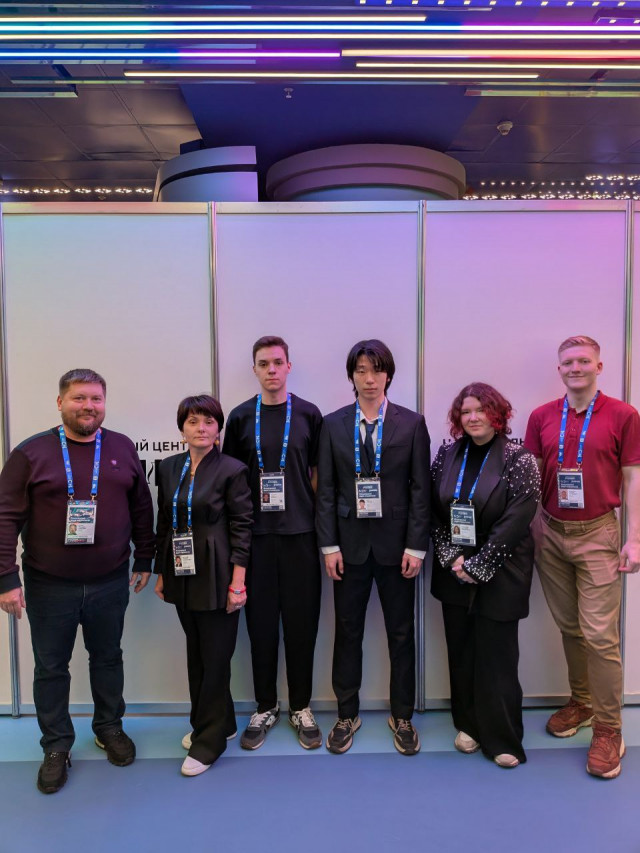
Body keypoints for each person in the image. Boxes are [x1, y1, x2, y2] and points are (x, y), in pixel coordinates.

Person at [0, 369, 154, 794]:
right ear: (60, 402)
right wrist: (7, 577)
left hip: (110, 580)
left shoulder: (122, 447)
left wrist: (145, 556)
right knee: (51, 668)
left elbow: (141, 507)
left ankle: (109, 728)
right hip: (49, 585)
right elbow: (5, 517)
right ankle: (56, 746)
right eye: (79, 398)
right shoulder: (30, 453)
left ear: (104, 403)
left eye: (96, 399)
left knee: (108, 658)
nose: (88, 406)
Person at [525, 335, 640, 779]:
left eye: (584, 361)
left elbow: (632, 479)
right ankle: (583, 702)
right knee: (571, 627)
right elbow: (530, 478)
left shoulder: (623, 415)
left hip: (598, 534)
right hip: (550, 532)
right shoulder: (541, 416)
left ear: (598, 366)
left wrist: (634, 539)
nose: (575, 368)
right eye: (568, 362)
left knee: (600, 636)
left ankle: (609, 728)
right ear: (559, 370)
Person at [316, 339, 430, 755]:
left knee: (401, 634)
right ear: (352, 376)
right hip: (348, 549)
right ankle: (347, 713)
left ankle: (402, 716)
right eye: (361, 370)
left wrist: (416, 547)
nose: (369, 378)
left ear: (388, 375)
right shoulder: (332, 424)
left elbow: (420, 490)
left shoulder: (411, 424)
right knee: (347, 632)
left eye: (377, 370)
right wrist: (329, 545)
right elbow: (326, 491)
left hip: (398, 549)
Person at [431, 383, 540, 768]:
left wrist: (479, 565)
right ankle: (469, 725)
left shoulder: (519, 458)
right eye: (466, 411)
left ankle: (503, 737)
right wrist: (452, 558)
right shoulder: (447, 454)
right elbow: (433, 510)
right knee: (461, 652)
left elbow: (518, 518)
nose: (473, 417)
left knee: (497, 656)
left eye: (481, 410)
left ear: (498, 414)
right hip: (454, 570)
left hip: (502, 569)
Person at [223, 336, 323, 750]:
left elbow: (317, 475)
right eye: (263, 363)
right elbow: (230, 479)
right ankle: (265, 705)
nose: (271, 370)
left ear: (289, 366)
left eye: (278, 362)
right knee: (261, 628)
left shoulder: (309, 414)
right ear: (254, 370)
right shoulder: (240, 417)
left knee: (302, 627)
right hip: (256, 540)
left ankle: (301, 706)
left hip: (300, 537)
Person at [155, 395, 252, 777]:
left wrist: (238, 582)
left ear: (218, 429)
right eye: (193, 421)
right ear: (182, 429)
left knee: (215, 657)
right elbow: (164, 524)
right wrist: (162, 572)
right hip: (181, 570)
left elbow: (242, 528)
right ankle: (218, 722)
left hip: (218, 572)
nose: (201, 428)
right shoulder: (168, 467)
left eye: (209, 421)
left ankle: (209, 741)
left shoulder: (233, 470)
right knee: (197, 652)